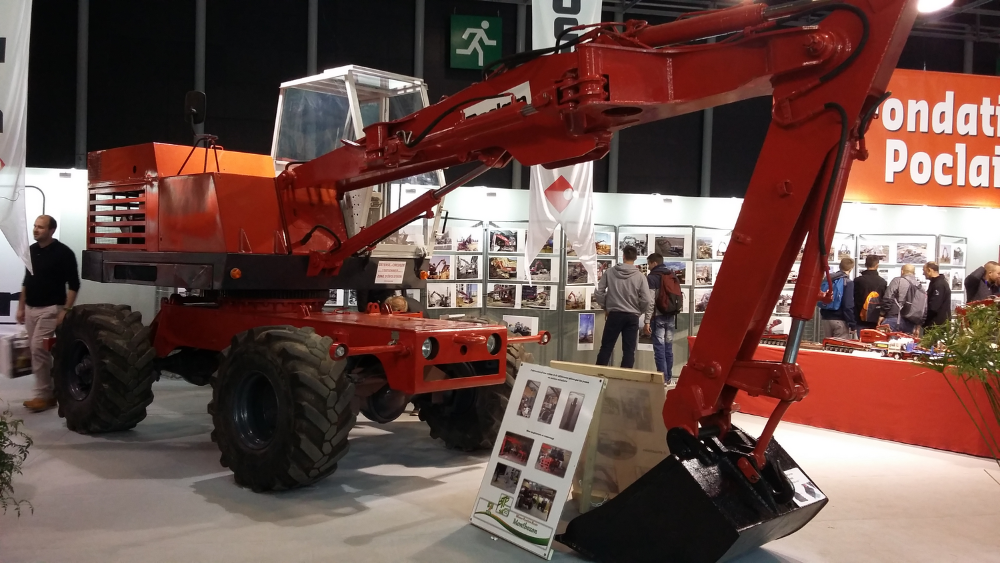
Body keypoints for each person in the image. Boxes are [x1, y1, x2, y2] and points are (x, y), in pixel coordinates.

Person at [15, 215, 80, 412]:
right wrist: (21, 306)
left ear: (52, 230)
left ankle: (42, 395)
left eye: (41, 227)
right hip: (31, 308)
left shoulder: (64, 253)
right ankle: (50, 393)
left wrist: (65, 310)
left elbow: (74, 284)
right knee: (36, 351)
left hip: (51, 309)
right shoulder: (31, 251)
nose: (35, 230)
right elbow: (27, 280)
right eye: (35, 226)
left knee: (38, 349)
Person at [594, 246, 653, 369]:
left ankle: (598, 376)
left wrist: (605, 306)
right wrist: (639, 311)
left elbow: (599, 292)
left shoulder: (610, 272)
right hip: (632, 316)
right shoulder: (640, 276)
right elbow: (647, 299)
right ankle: (624, 378)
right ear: (635, 258)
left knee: (606, 347)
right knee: (629, 351)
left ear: (623, 256)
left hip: (614, 315)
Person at [645, 252, 676, 383]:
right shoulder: (672, 275)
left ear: (654, 263)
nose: (648, 267)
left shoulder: (652, 277)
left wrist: (647, 320)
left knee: (659, 349)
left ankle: (662, 379)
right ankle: (669, 378)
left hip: (658, 317)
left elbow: (650, 301)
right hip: (671, 316)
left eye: (649, 264)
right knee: (668, 348)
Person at [818, 257, 856, 338]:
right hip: (840, 320)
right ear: (851, 269)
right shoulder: (847, 282)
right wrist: (852, 324)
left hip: (826, 318)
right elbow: (847, 305)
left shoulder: (829, 279)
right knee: (839, 345)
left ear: (840, 266)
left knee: (828, 343)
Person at [854, 255, 888, 330]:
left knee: (862, 337)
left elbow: (853, 299)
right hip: (876, 319)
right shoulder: (883, 282)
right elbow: (885, 300)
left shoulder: (858, 281)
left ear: (865, 265)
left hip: (860, 318)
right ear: (877, 265)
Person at [884, 264, 920, 333]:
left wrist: (882, 314)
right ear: (914, 273)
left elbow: (888, 298)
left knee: (884, 339)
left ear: (902, 271)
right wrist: (918, 326)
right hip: (911, 323)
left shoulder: (897, 281)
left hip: (894, 318)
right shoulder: (919, 286)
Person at [922, 262, 951, 328]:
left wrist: (923, 318)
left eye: (924, 271)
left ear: (929, 270)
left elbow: (934, 307)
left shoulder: (939, 285)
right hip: (935, 323)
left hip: (937, 325)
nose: (923, 273)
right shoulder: (934, 283)